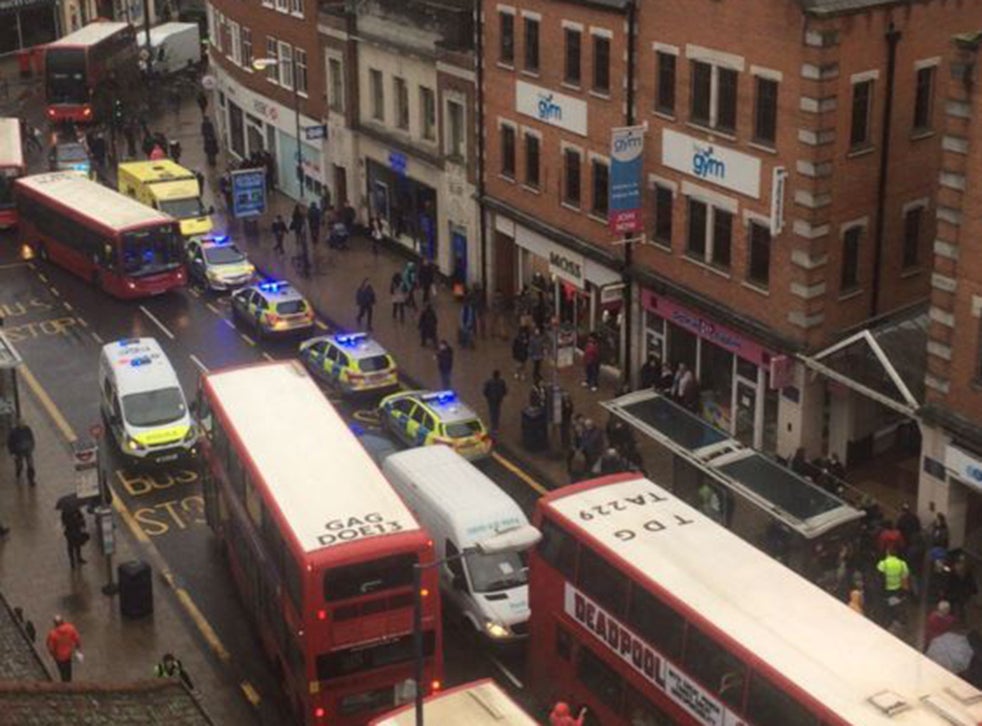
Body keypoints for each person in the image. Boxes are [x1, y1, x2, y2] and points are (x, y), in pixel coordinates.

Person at [46, 616, 82, 683]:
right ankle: (69, 683)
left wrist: (53, 655)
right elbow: (77, 639)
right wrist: (78, 649)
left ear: (55, 624)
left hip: (59, 657)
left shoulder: (53, 634)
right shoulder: (70, 628)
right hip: (68, 655)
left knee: (62, 672)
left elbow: (51, 648)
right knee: (68, 670)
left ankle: (64, 684)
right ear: (63, 621)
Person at [7, 419, 36, 486]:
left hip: (27, 450)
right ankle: (18, 472)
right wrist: (12, 453)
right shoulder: (13, 432)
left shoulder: (27, 429)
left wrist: (32, 445)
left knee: (30, 465)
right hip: (18, 451)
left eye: (23, 423)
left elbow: (31, 437)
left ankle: (31, 480)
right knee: (20, 465)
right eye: (20, 423)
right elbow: (10, 443)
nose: (22, 424)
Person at [483, 370, 508, 434]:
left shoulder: (489, 382)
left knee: (493, 412)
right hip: (497, 399)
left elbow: (485, 391)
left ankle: (494, 427)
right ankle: (495, 427)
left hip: (492, 400)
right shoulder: (501, 382)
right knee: (496, 412)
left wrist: (488, 396)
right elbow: (505, 390)